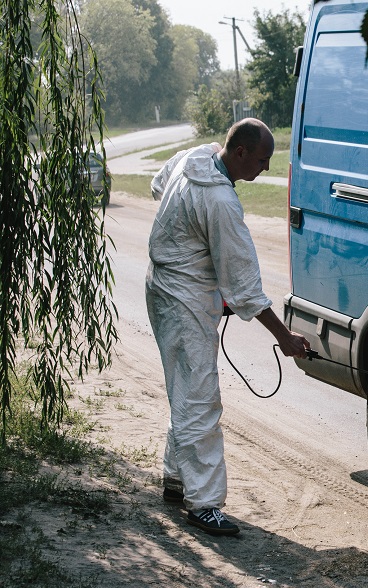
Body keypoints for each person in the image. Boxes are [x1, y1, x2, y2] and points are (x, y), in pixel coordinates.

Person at [146, 118, 310, 536]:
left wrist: (189, 249)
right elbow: (245, 289)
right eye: (262, 159)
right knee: (200, 397)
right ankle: (203, 504)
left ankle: (176, 477)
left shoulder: (194, 157)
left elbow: (156, 187)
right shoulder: (220, 202)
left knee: (185, 387)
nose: (266, 169)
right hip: (182, 299)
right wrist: (285, 338)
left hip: (162, 284)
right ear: (239, 153)